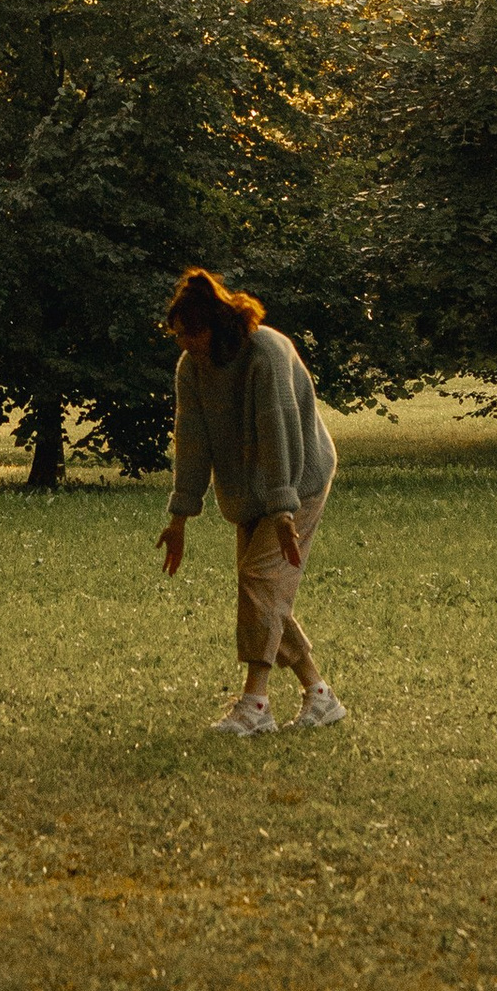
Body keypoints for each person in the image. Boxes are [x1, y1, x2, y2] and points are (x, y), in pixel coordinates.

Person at [156, 266, 346, 734]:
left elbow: (278, 433)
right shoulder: (192, 367)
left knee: (261, 580)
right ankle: (320, 696)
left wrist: (284, 510)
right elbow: (192, 440)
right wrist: (180, 515)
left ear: (214, 325)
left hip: (299, 480)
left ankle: (255, 706)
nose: (183, 342)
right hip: (249, 489)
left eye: (190, 332)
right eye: (177, 333)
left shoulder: (266, 352)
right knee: (264, 590)